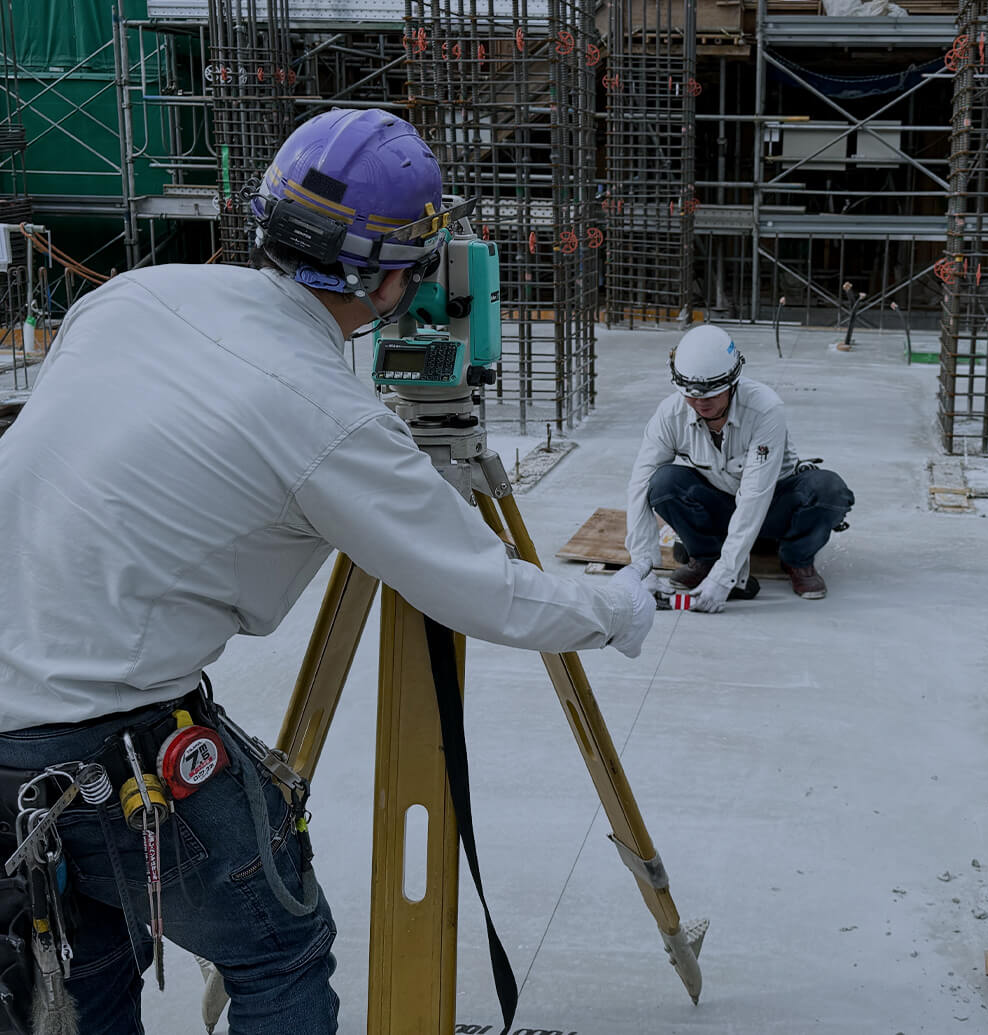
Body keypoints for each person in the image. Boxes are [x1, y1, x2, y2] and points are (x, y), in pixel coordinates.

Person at [0, 108, 654, 1035]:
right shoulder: (330, 418)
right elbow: (484, 590)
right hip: (114, 740)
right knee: (278, 950)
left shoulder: (131, 296)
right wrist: (618, 609)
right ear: (398, 276)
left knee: (82, 965)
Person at [625, 324, 854, 614]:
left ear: (733, 382)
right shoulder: (670, 414)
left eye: (711, 395)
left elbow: (755, 495)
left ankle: (797, 558)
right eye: (692, 396)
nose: (700, 403)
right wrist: (643, 567)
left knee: (828, 490)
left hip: (773, 506)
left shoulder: (765, 410)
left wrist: (725, 578)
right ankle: (706, 558)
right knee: (663, 483)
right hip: (720, 505)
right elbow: (639, 485)